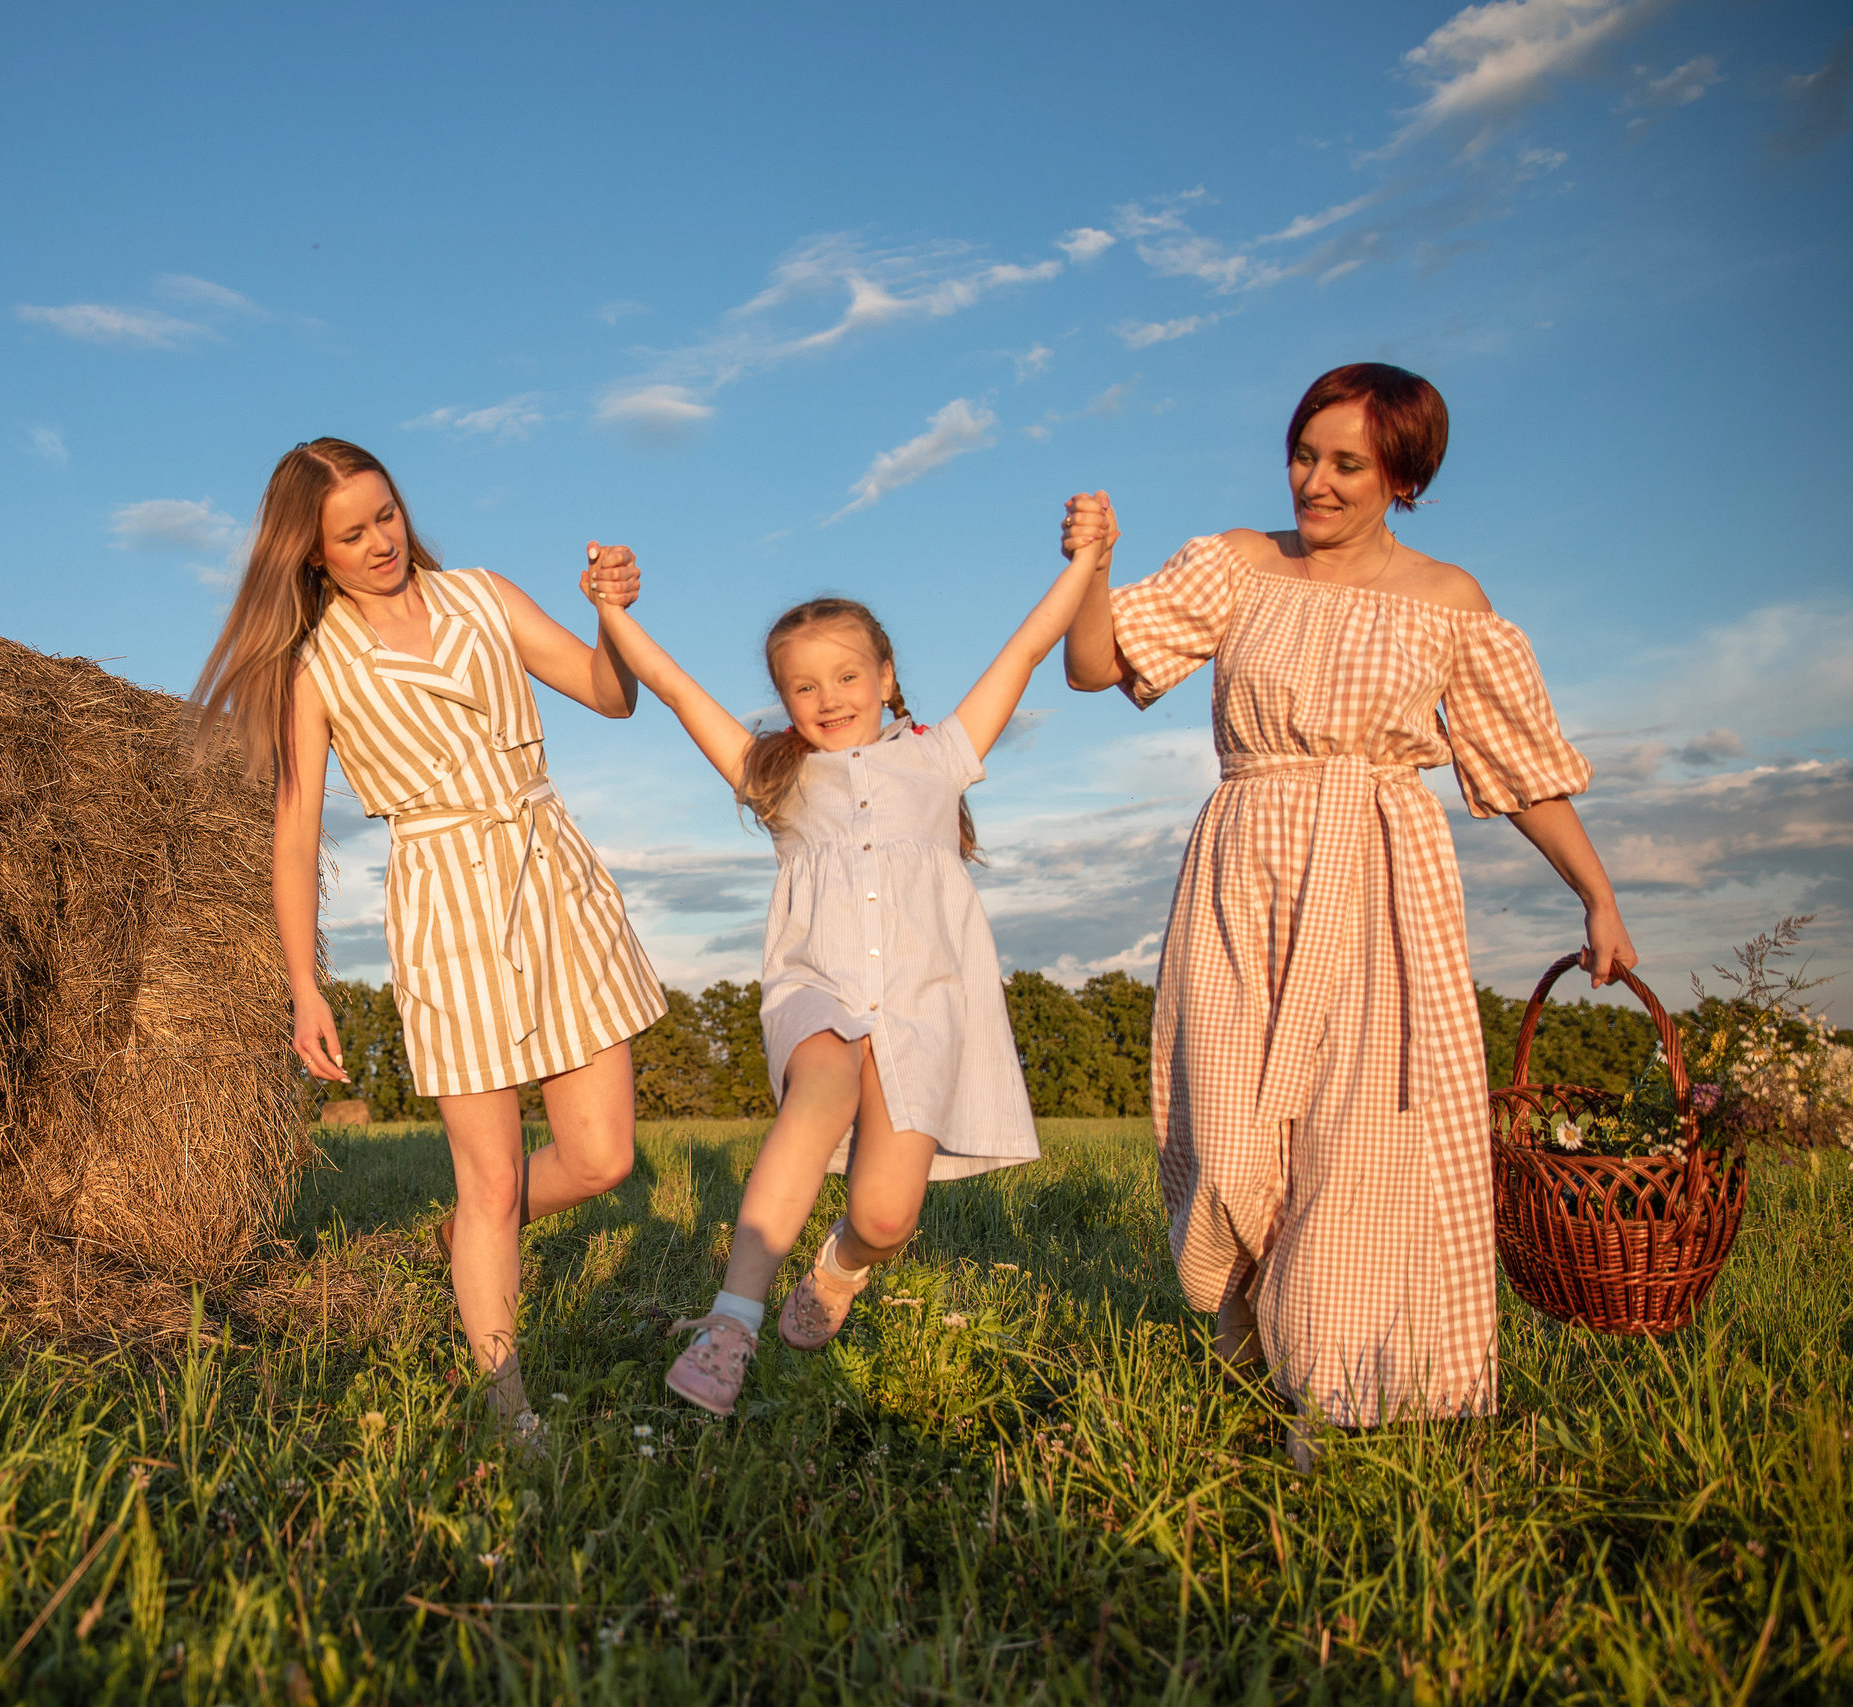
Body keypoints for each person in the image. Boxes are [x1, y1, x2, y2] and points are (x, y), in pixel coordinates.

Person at [1059, 364, 1633, 1464]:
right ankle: (1249, 1338)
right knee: (1222, 1135)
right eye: (1303, 454)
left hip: (1380, 871)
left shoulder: (1448, 602)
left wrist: (1596, 895)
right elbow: (1094, 667)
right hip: (1243, 863)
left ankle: (1330, 1395)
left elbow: (1516, 772)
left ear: (1404, 478)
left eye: (1345, 465)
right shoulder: (1236, 563)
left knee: (1358, 1137)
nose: (1312, 483)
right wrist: (1095, 568)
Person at [581, 506, 1120, 1416]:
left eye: (845, 675)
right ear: (781, 700)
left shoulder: (942, 757)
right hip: (817, 987)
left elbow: (1028, 650)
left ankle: (837, 1270)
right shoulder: (775, 775)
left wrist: (1088, 559)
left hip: (921, 1005)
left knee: (883, 1217)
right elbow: (673, 689)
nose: (827, 697)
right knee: (823, 1080)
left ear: (886, 675)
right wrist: (611, 610)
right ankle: (731, 1323)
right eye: (803, 686)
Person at [190, 438, 666, 1444]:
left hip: (551, 870)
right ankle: (507, 1406)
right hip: (445, 900)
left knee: (602, 1158)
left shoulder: (484, 596)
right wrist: (304, 987)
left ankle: (464, 1241)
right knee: (489, 1177)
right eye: (351, 533)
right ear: (311, 554)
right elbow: (294, 835)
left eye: (386, 517)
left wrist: (611, 615)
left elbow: (608, 692)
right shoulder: (316, 667)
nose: (379, 543)